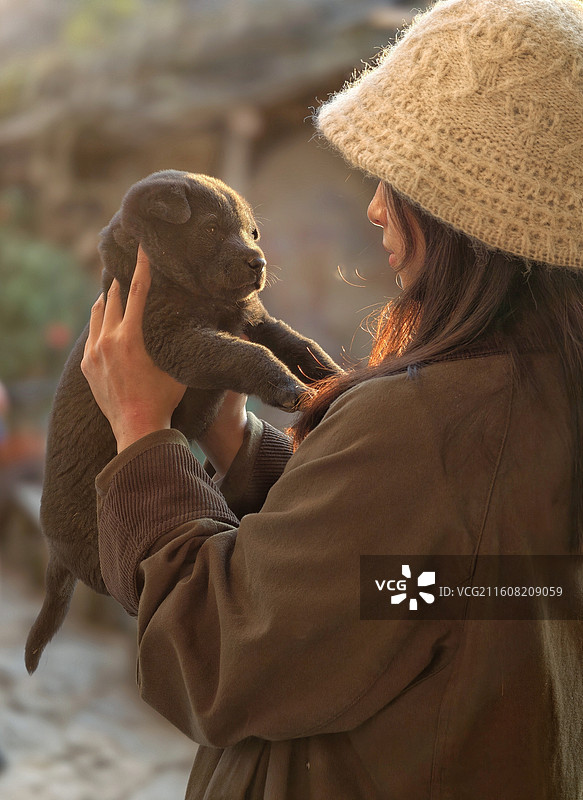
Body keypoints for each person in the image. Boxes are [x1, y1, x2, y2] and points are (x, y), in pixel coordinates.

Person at [80, 0, 583, 797]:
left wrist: (142, 435)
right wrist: (237, 442)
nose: (376, 205)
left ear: (468, 216)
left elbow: (219, 655)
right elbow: (403, 582)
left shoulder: (429, 424)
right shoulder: (540, 394)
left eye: (404, 178)